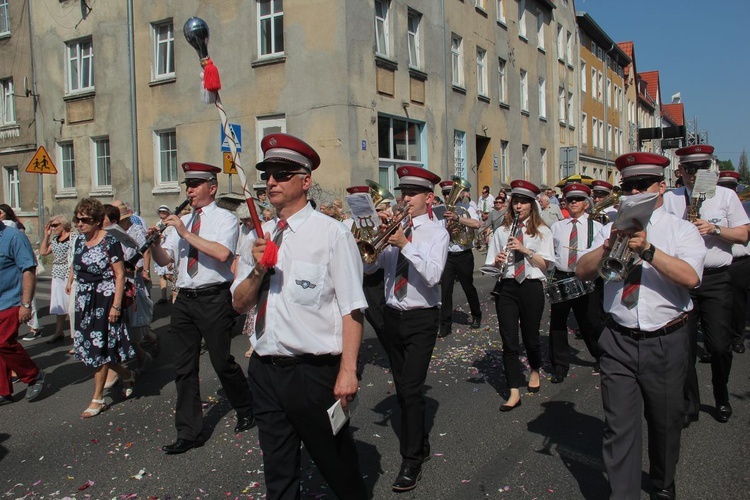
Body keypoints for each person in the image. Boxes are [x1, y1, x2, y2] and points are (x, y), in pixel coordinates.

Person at [232, 133, 368, 499]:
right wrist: (259, 269)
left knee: (336, 464)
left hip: (313, 374)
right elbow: (240, 304)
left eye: (281, 173)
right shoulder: (258, 236)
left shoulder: (332, 235)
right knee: (278, 471)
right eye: (267, 174)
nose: (271, 181)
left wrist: (348, 370)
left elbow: (351, 309)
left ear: (305, 181)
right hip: (265, 370)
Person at [576, 152, 706, 500]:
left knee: (665, 423)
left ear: (662, 186)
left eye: (641, 185)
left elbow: (691, 279)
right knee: (618, 428)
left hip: (666, 337)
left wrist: (648, 250)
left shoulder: (682, 230)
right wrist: (606, 247)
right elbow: (581, 270)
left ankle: (663, 482)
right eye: (628, 186)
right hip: (618, 337)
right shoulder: (609, 227)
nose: (634, 192)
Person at [148, 161, 255, 454]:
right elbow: (165, 260)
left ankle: (246, 405)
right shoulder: (180, 221)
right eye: (187, 186)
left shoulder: (224, 219)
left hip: (213, 298)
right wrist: (154, 243)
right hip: (184, 299)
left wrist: (184, 232)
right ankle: (189, 432)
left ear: (212, 187)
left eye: (195, 185)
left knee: (221, 361)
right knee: (183, 368)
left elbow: (221, 253)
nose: (189, 191)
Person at [363, 165, 448, 492]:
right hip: (392, 316)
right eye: (403, 192)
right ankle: (421, 442)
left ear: (429, 198)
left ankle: (410, 460)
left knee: (411, 389)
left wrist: (405, 244)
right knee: (403, 388)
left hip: (421, 319)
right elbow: (371, 266)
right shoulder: (393, 228)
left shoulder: (437, 232)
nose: (405, 198)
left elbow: (433, 276)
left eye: (412, 193)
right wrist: (375, 240)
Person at [662, 144, 750, 426]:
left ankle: (721, 395)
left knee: (720, 346)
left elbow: (744, 234)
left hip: (716, 278)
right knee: (684, 348)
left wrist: (715, 229)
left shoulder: (725, 195)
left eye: (703, 168)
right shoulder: (670, 198)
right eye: (690, 168)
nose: (696, 174)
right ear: (681, 171)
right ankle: (690, 402)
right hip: (682, 280)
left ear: (710, 168)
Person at [485, 180, 554, 412]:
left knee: (531, 337)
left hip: (531, 286)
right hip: (507, 287)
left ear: (532, 205)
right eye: (516, 201)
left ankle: (534, 368)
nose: (519, 206)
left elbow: (546, 265)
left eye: (524, 202)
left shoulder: (542, 231)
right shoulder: (501, 231)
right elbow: (490, 267)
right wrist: (496, 262)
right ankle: (513, 390)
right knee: (509, 340)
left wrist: (525, 250)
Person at [67, 198, 136, 417]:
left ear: (97, 221)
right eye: (77, 220)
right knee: (92, 349)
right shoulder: (79, 241)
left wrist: (116, 306)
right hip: (85, 300)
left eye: (85, 220)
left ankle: (97, 398)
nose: (80, 224)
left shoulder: (110, 241)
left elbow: (120, 274)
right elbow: (75, 264)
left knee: (100, 348)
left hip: (105, 299)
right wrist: (71, 282)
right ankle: (126, 374)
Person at [548, 183, 603, 383]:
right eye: (570, 199)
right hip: (562, 276)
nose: (573, 203)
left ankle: (600, 356)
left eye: (578, 199)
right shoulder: (557, 226)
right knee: (557, 324)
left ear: (586, 204)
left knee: (590, 322)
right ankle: (560, 366)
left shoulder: (596, 227)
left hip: (586, 278)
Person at [0, 221, 47, 406]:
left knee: (3, 342)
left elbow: (28, 270)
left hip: (10, 300)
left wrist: (26, 304)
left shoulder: (14, 237)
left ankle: (33, 375)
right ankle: (3, 391)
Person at [438, 179, 482, 338]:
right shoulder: (439, 211)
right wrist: (447, 231)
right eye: (445, 193)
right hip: (447, 255)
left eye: (450, 193)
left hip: (464, 254)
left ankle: (476, 315)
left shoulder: (467, 207)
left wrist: (458, 218)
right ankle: (445, 325)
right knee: (446, 290)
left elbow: (476, 224)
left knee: (468, 287)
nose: (448, 196)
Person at [717, 170, 749, 354]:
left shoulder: (745, 206)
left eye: (731, 187)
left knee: (737, 304)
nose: (728, 190)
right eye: (724, 187)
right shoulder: (714, 203)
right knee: (715, 305)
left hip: (740, 260)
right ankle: (713, 343)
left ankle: (737, 337)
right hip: (719, 261)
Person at [38, 215, 73, 344]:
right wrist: (46, 235)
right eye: (51, 226)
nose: (53, 228)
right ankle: (58, 331)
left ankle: (75, 337)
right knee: (60, 304)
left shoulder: (73, 237)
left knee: (71, 305)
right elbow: (43, 252)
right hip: (57, 273)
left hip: (69, 272)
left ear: (64, 224)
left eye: (55, 225)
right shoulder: (55, 239)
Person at [153, 205, 176, 304]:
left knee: (168, 275)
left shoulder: (171, 225)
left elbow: (172, 242)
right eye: (160, 211)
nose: (162, 213)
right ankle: (163, 297)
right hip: (160, 250)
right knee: (162, 275)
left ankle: (177, 287)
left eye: (164, 212)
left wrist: (170, 259)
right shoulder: (158, 224)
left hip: (168, 251)